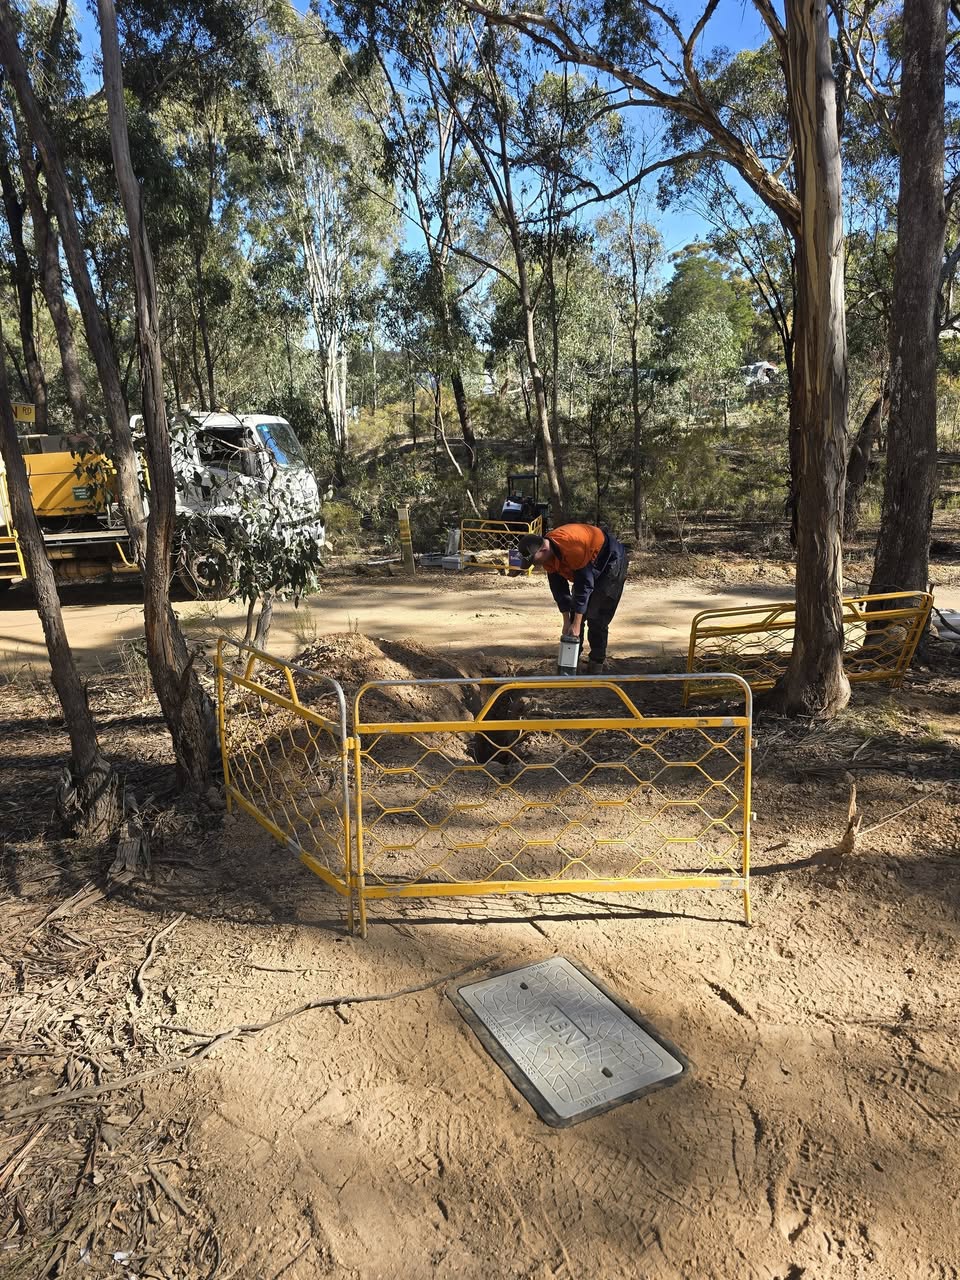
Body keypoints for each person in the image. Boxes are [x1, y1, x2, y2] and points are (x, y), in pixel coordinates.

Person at [517, 523, 628, 673]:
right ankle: (571, 662)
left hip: (611, 559)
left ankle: (596, 663)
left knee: (596, 614)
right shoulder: (548, 556)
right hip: (588, 565)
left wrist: (576, 623)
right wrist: (567, 621)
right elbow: (559, 590)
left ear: (543, 549)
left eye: (533, 560)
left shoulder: (571, 547)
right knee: (576, 615)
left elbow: (584, 585)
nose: (533, 565)